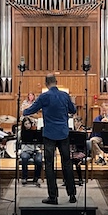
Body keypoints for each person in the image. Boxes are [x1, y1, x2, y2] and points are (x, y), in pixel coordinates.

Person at [23, 74, 77, 205]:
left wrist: (24, 111)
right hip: (64, 133)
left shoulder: (44, 96)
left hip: (49, 134)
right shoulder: (64, 95)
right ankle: (72, 195)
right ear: (56, 82)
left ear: (46, 83)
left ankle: (53, 197)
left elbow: (31, 110)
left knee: (49, 164)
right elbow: (73, 109)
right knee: (67, 163)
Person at [18, 117, 42, 185]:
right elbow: (17, 142)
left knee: (39, 160)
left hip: (35, 150)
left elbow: (40, 142)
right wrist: (18, 150)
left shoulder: (35, 132)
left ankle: (36, 177)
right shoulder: (21, 132)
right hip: (25, 151)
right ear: (23, 125)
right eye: (26, 124)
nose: (28, 125)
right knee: (24, 158)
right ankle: (24, 177)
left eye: (29, 123)